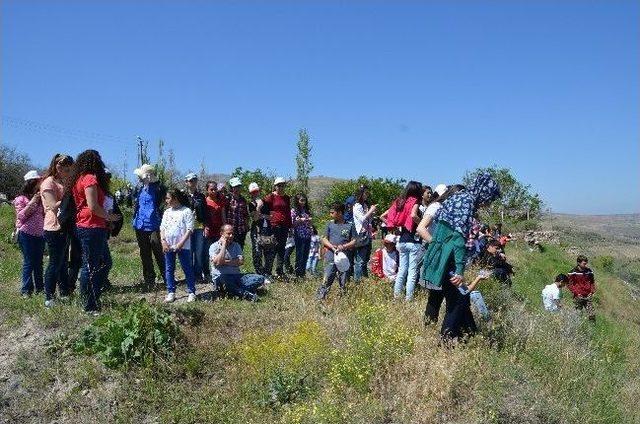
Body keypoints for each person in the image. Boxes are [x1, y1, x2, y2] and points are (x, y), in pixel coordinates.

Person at [421, 173, 500, 342]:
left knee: (457, 298)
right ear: (484, 193)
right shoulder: (467, 202)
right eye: (489, 199)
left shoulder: (459, 197)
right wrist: (459, 270)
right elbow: (458, 238)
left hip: (441, 254)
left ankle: (469, 334)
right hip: (448, 257)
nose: (488, 203)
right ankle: (447, 340)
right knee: (459, 299)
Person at [69, 150, 120, 314]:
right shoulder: (90, 178)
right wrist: (109, 217)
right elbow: (93, 207)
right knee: (90, 266)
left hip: (90, 226)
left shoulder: (79, 178)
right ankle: (89, 304)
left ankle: (93, 294)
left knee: (104, 262)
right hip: (91, 227)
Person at [40, 153, 74, 306]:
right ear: (58, 167)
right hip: (53, 227)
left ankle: (64, 291)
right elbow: (52, 205)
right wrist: (69, 199)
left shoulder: (62, 181)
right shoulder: (48, 183)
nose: (69, 172)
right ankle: (49, 296)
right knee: (54, 263)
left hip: (64, 225)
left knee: (62, 262)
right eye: (67, 169)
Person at [209, 224, 269, 301]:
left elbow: (241, 261)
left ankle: (232, 291)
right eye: (228, 233)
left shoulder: (236, 245)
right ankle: (245, 294)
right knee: (224, 279)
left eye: (232, 234)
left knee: (259, 278)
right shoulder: (214, 246)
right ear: (221, 234)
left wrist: (224, 262)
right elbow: (217, 262)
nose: (231, 236)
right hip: (221, 277)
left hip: (237, 276)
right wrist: (223, 245)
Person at [132, 164, 166, 289]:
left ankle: (167, 277)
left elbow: (162, 205)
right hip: (140, 224)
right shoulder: (138, 188)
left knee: (158, 250)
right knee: (145, 253)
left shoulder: (159, 189)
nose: (139, 178)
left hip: (154, 224)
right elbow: (135, 203)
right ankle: (149, 278)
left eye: (141, 176)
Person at [388, 181, 423, 301]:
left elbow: (389, 216)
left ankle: (396, 296)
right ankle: (409, 298)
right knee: (412, 272)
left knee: (402, 270)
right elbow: (413, 215)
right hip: (413, 241)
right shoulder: (415, 201)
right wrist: (422, 224)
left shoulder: (401, 201)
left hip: (402, 240)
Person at [160, 189, 196, 303]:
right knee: (169, 268)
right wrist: (163, 241)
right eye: (166, 198)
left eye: (168, 198)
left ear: (175, 198)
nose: (166, 201)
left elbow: (190, 229)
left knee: (187, 268)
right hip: (168, 245)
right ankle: (171, 292)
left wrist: (180, 243)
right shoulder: (167, 212)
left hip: (183, 246)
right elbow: (162, 228)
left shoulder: (186, 211)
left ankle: (191, 292)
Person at [13, 170, 45, 297]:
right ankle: (26, 290)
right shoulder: (21, 199)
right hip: (26, 233)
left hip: (40, 234)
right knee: (29, 261)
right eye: (37, 181)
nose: (39, 183)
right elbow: (21, 216)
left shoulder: (40, 197)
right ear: (32, 182)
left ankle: (40, 288)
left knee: (38, 262)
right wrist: (33, 202)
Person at [316, 203, 357, 300]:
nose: (330, 214)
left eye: (332, 212)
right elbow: (324, 239)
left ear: (340, 213)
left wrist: (343, 246)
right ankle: (320, 299)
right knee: (327, 277)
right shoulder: (329, 224)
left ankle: (344, 300)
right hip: (330, 255)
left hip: (344, 257)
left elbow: (354, 241)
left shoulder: (350, 225)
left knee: (344, 280)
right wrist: (332, 247)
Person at [262, 177, 292, 279]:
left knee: (281, 249)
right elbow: (263, 207)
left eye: (282, 185)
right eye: (278, 185)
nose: (281, 187)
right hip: (274, 225)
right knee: (272, 248)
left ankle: (279, 271)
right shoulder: (271, 196)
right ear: (275, 186)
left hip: (284, 226)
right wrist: (268, 217)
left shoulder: (287, 198)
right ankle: (268, 272)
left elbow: (288, 212)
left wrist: (290, 226)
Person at [101, 169, 124, 292]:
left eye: (109, 176)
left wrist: (112, 223)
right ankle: (98, 283)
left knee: (104, 260)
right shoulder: (95, 192)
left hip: (104, 230)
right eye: (106, 176)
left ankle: (102, 281)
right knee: (104, 260)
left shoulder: (109, 194)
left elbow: (113, 210)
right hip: (95, 229)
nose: (108, 179)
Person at [184, 173, 209, 283]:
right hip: (187, 229)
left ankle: (198, 274)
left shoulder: (201, 196)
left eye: (194, 180)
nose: (192, 182)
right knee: (189, 253)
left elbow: (205, 212)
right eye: (190, 181)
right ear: (186, 182)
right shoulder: (183, 196)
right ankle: (189, 275)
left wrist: (205, 225)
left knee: (199, 252)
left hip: (199, 227)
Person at [352, 185, 377, 283]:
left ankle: (364, 279)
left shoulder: (365, 205)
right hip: (361, 235)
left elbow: (367, 219)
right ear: (360, 194)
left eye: (367, 193)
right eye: (365, 193)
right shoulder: (357, 206)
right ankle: (357, 282)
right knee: (360, 261)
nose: (367, 195)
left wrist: (371, 214)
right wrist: (370, 211)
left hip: (368, 234)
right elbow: (362, 219)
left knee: (366, 259)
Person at [291, 193, 313, 278]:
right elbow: (292, 224)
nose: (303, 202)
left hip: (307, 234)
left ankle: (302, 274)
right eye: (301, 200)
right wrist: (301, 220)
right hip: (299, 235)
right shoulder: (294, 211)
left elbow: (310, 222)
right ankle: (297, 274)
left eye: (304, 200)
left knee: (305, 255)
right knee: (299, 254)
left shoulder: (307, 210)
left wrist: (310, 223)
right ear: (297, 201)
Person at [568, 255, 596, 320]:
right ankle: (578, 328)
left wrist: (592, 292)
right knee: (578, 314)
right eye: (584, 263)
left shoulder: (589, 271)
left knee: (592, 314)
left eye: (586, 263)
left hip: (588, 296)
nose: (585, 265)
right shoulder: (572, 272)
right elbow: (569, 284)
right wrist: (576, 293)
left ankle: (592, 327)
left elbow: (592, 282)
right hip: (578, 296)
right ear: (578, 263)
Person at [225, 177, 250, 250]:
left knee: (239, 250)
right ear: (231, 188)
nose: (237, 189)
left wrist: (246, 225)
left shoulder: (243, 199)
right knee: (229, 250)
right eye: (235, 187)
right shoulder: (227, 199)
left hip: (241, 230)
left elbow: (245, 214)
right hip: (230, 230)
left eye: (238, 187)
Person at [247, 182, 265, 274]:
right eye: (253, 192)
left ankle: (266, 272)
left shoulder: (264, 201)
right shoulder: (251, 204)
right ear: (250, 193)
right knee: (257, 251)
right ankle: (259, 272)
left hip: (265, 229)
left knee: (266, 250)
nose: (255, 193)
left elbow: (270, 216)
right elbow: (255, 218)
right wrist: (258, 207)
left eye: (256, 191)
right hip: (256, 230)